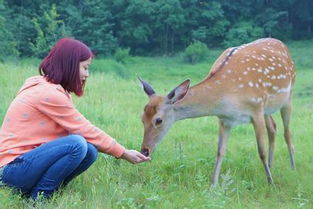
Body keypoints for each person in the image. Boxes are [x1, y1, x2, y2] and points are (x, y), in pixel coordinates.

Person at [0, 38, 150, 200]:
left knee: (89, 150)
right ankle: (40, 199)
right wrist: (123, 152)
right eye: (85, 68)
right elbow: (84, 129)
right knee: (77, 144)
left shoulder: (47, 87)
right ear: (70, 65)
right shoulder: (48, 93)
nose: (87, 74)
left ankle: (44, 190)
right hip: (10, 171)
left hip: (24, 167)